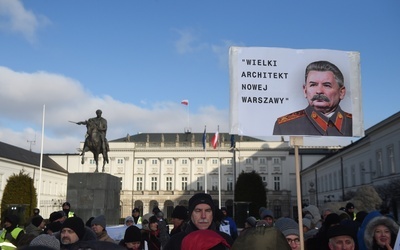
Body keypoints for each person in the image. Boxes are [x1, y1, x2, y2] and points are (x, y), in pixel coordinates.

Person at [273, 60, 352, 136]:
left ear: (341, 92)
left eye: (327, 85)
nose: (319, 91)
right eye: (313, 85)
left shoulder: (354, 124)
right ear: (305, 90)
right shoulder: (285, 126)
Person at [164, 193, 233, 250]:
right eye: (198, 211)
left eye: (207, 211)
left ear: (212, 214)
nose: (203, 216)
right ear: (191, 214)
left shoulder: (225, 241)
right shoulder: (176, 242)